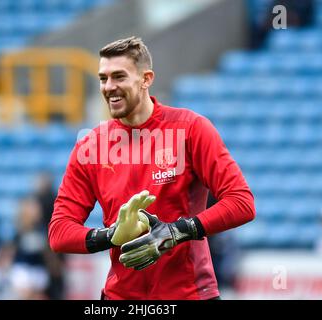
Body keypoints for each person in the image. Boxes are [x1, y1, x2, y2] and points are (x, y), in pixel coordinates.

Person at [48, 36, 255, 300]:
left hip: (189, 294)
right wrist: (111, 236)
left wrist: (175, 232)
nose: (109, 87)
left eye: (119, 77)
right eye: (103, 78)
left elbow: (242, 203)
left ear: (146, 79)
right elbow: (58, 232)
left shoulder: (190, 129)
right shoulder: (90, 145)